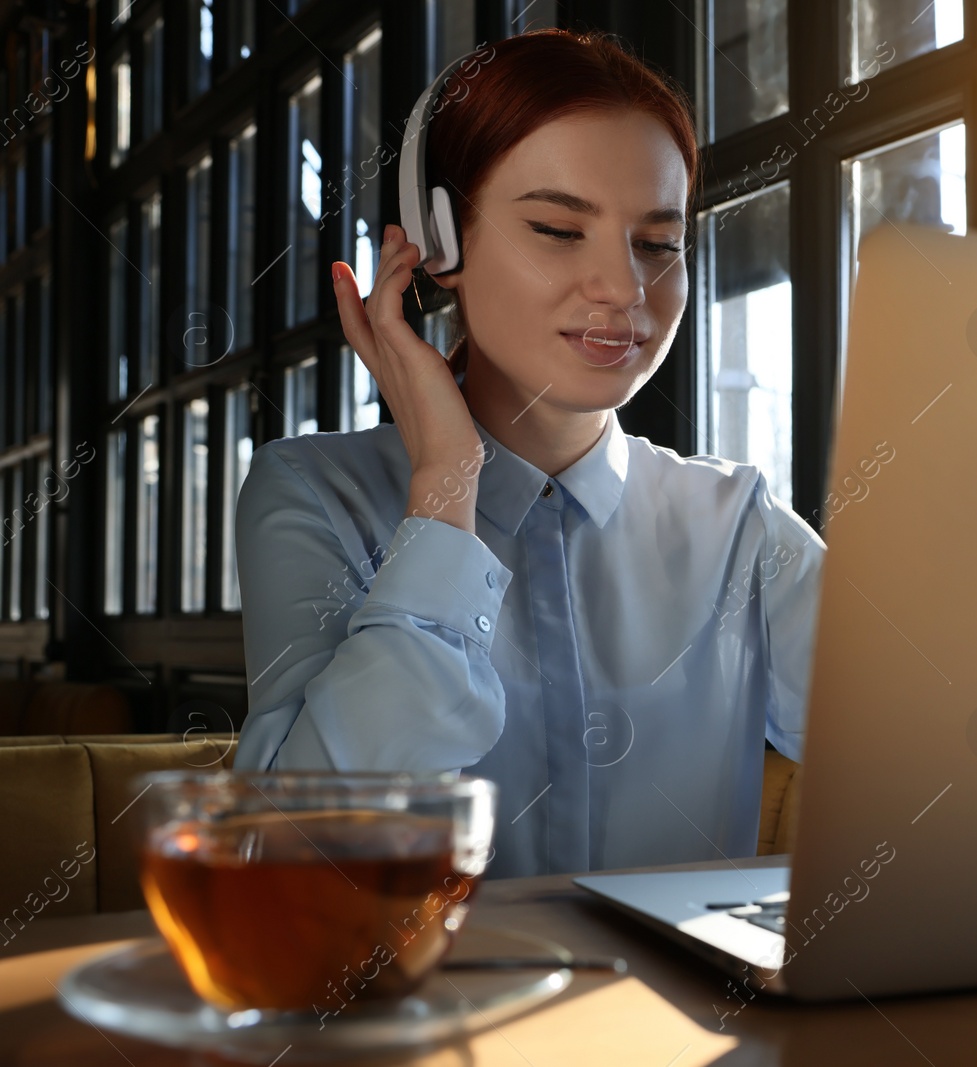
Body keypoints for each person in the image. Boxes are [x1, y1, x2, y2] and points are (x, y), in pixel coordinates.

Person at [232, 29, 826, 880]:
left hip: (666, 1016)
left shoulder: (740, 527)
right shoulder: (313, 495)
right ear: (440, 243)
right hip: (408, 1010)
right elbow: (295, 851)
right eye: (558, 229)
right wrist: (446, 483)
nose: (625, 290)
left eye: (658, 243)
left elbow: (932, 765)